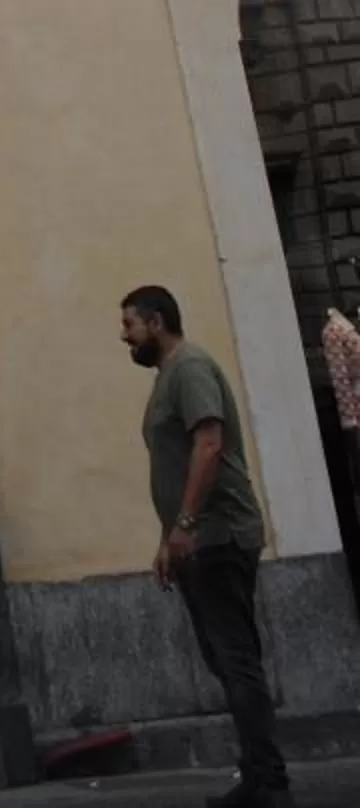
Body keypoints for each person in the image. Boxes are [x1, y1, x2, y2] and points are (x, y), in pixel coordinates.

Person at [120, 283, 289, 808]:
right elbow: (176, 464)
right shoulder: (170, 374)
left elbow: (209, 443)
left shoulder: (189, 368)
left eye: (129, 325)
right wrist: (169, 538)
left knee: (236, 660)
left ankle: (269, 783)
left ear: (155, 321)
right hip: (198, 540)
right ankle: (260, 774)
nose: (123, 335)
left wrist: (186, 523)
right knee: (227, 659)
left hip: (219, 537)